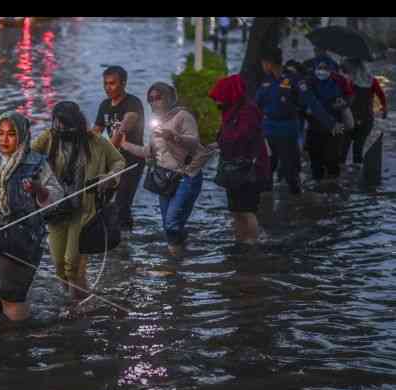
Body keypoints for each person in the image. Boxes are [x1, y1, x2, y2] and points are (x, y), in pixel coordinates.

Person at [0, 111, 63, 322]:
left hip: (22, 239)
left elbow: (57, 198)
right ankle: (2, 329)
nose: (4, 139)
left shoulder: (36, 163)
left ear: (22, 136)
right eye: (0, 133)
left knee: (10, 295)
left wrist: (38, 190)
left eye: (11, 134)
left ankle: (17, 341)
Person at [31, 101, 126, 301]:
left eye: (65, 125)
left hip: (82, 209)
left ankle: (79, 302)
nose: (61, 129)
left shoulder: (94, 140)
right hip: (55, 209)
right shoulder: (48, 137)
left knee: (72, 261)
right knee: (58, 264)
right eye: (57, 124)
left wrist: (109, 177)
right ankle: (71, 296)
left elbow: (118, 161)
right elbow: (28, 155)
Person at [120, 82, 207, 256]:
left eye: (158, 98)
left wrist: (175, 137)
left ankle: (180, 258)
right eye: (150, 99)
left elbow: (194, 142)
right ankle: (177, 259)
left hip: (186, 177)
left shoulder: (182, 116)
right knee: (169, 226)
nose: (154, 102)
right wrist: (125, 144)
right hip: (165, 179)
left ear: (169, 97)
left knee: (172, 224)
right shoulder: (156, 124)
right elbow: (149, 152)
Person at [255, 47, 338, 195]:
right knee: (265, 173)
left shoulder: (295, 80)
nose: (262, 67)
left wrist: (331, 123)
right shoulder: (265, 81)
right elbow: (255, 106)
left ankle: (296, 207)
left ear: (268, 63)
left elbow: (312, 103)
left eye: (263, 63)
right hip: (267, 133)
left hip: (287, 133)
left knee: (291, 174)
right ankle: (266, 210)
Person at [209, 74, 271, 244]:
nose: (217, 102)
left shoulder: (248, 111)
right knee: (236, 210)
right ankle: (240, 240)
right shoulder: (230, 111)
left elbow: (242, 136)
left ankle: (252, 243)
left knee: (247, 210)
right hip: (235, 169)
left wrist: (221, 142)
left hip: (250, 169)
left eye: (220, 98)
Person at [92, 66, 145, 232]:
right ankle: (107, 236)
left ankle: (125, 244)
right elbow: (96, 131)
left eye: (112, 83)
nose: (108, 87)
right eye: (105, 83)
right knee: (99, 201)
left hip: (131, 162)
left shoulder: (133, 103)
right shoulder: (105, 105)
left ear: (123, 83)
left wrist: (111, 144)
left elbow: (125, 126)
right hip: (112, 162)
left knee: (122, 204)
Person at [305, 61, 350, 182]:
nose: (322, 71)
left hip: (335, 126)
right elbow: (302, 101)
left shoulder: (339, 81)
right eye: (319, 68)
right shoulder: (309, 82)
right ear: (315, 69)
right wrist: (306, 109)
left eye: (325, 68)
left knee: (332, 160)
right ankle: (318, 186)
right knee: (315, 159)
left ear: (330, 70)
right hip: (315, 126)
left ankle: (332, 187)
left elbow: (348, 97)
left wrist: (343, 102)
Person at [341, 58, 388, 167]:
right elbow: (381, 95)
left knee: (343, 150)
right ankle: (356, 176)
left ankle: (342, 178)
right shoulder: (371, 80)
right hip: (366, 120)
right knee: (358, 150)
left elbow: (343, 100)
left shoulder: (348, 82)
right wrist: (384, 109)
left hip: (350, 120)